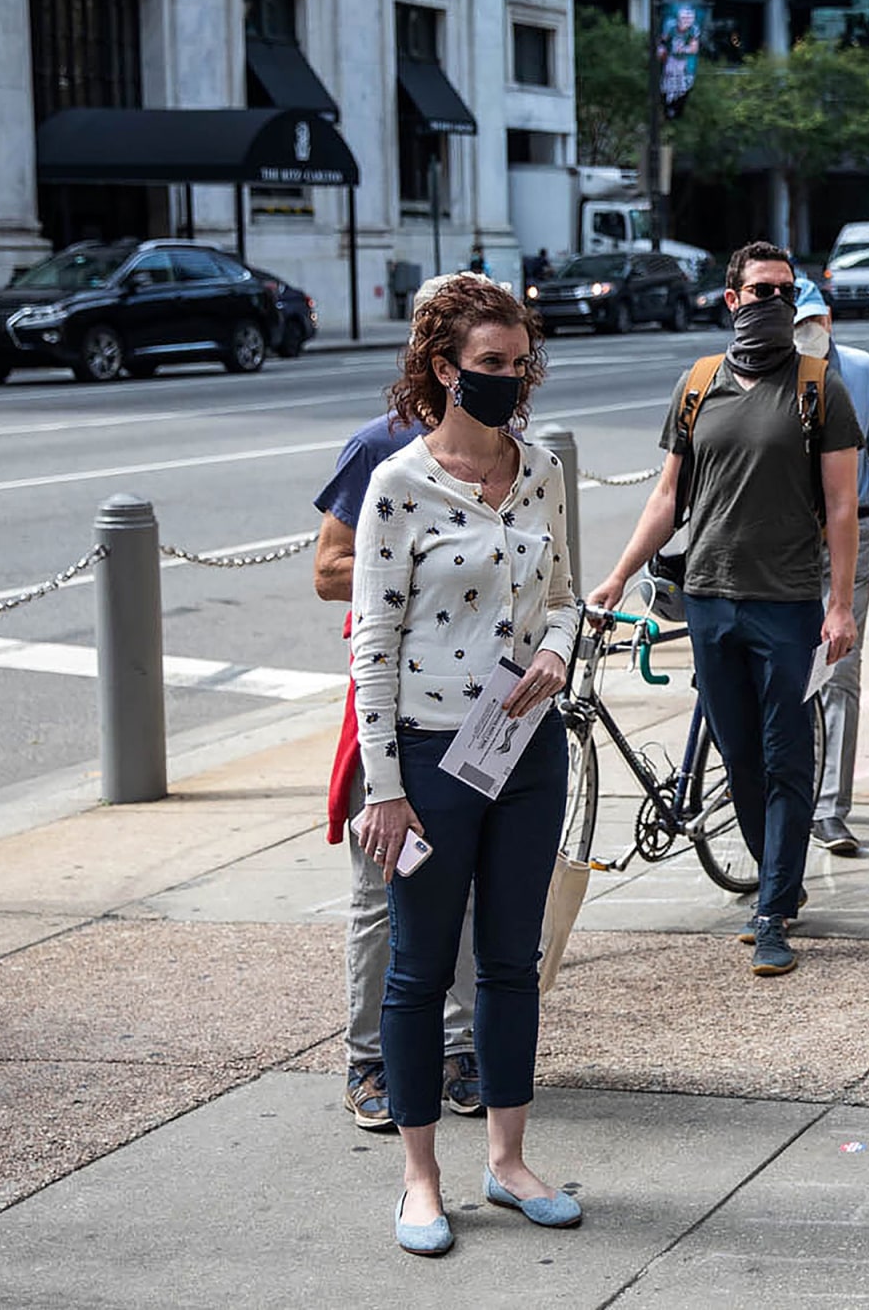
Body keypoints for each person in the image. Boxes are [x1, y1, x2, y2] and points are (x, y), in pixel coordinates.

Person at [348, 274, 581, 1254]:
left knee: (511, 962)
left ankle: (509, 1158)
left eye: (520, 361)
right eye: (490, 364)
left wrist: (558, 650)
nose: (511, 378)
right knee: (416, 967)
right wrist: (387, 788)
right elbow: (373, 642)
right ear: (443, 369)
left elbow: (565, 592)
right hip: (435, 759)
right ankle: (419, 1177)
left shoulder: (540, 470)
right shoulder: (398, 485)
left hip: (528, 749)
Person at [589, 242, 863, 975]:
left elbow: (842, 506)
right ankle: (780, 872)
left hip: (789, 601)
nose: (771, 301)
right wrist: (617, 576)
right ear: (731, 297)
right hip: (709, 597)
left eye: (785, 290)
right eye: (759, 289)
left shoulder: (818, 387)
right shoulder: (699, 382)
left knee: (785, 755)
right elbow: (666, 496)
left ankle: (771, 908)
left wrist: (841, 604)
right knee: (739, 754)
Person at [313, 279, 481, 1134]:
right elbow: (327, 570)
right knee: (384, 884)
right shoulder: (378, 448)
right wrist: (410, 571)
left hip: (479, 707)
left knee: (464, 893)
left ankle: (458, 1048)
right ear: (435, 353)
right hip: (388, 698)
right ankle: (367, 1059)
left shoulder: (504, 445)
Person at [789, 280, 869, 858]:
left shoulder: (861, 371)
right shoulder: (772, 372)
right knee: (788, 669)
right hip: (785, 536)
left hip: (854, 532)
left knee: (839, 668)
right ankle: (792, 794)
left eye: (815, 320)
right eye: (797, 321)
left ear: (831, 319)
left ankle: (831, 807)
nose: (808, 332)